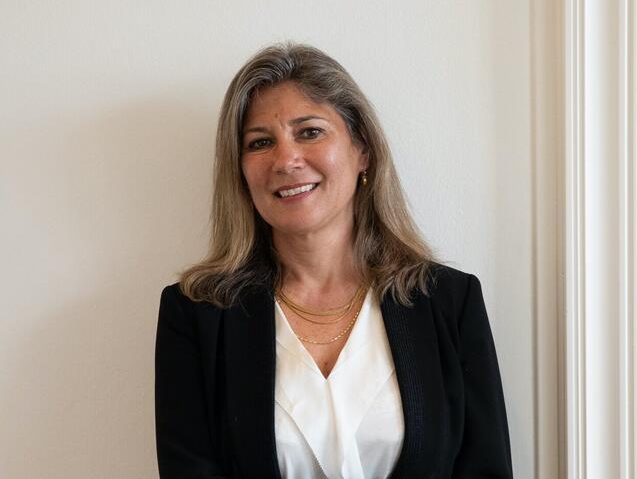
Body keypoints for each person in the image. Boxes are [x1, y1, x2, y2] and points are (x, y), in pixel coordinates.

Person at [154, 43, 513, 478]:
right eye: (261, 142)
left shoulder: (449, 303)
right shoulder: (197, 314)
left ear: (363, 150)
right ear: (241, 172)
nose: (286, 160)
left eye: (310, 132)